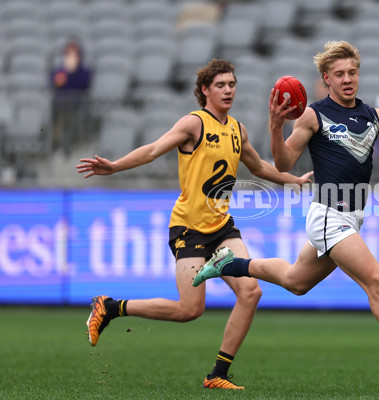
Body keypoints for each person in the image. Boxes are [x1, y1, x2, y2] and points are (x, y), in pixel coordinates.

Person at [192, 41, 379, 378]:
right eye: (340, 74)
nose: (348, 79)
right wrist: (276, 127)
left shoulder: (373, 115)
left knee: (295, 281)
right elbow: (283, 161)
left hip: (352, 217)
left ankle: (231, 263)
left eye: (352, 72)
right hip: (328, 216)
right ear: (327, 78)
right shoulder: (312, 115)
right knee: (377, 281)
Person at [76, 59, 313, 390]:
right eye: (221, 85)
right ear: (205, 90)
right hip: (189, 228)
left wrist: (292, 180)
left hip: (222, 228)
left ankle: (217, 374)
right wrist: (115, 166)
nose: (228, 89)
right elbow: (153, 150)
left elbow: (259, 167)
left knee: (250, 291)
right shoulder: (193, 124)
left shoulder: (237, 129)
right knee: (190, 310)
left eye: (232, 84)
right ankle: (112, 307)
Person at [50, 38, 92, 153]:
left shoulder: (85, 72)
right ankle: (56, 139)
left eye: (74, 53)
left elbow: (83, 84)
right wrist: (66, 73)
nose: (71, 56)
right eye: (68, 53)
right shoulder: (59, 71)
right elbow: (54, 82)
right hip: (60, 107)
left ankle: (66, 143)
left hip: (77, 106)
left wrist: (71, 73)